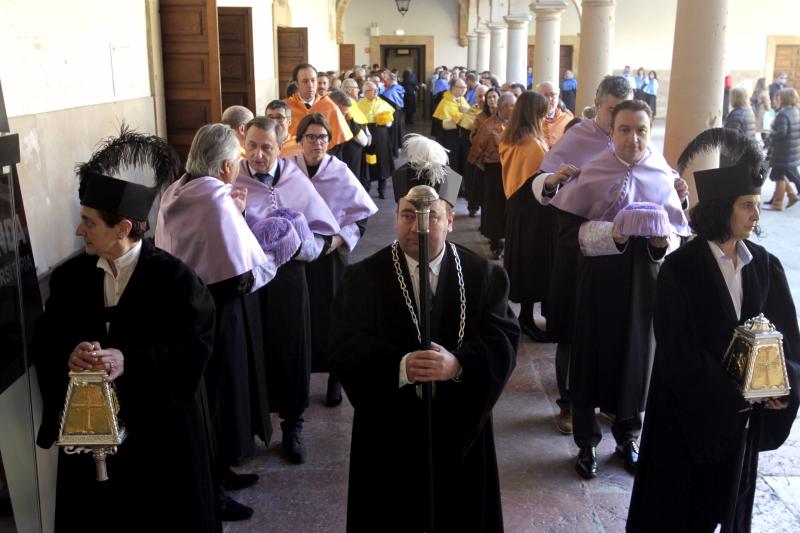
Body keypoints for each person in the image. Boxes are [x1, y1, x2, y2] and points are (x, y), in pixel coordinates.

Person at [34, 129, 221, 533]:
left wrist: (128, 360)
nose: (79, 231)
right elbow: (46, 336)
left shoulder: (175, 280)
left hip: (159, 438)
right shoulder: (69, 279)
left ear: (122, 227)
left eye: (88, 222)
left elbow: (195, 349)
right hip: (90, 437)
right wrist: (70, 352)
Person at [331, 134, 518, 533]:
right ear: (395, 215)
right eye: (407, 214)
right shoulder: (362, 278)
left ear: (450, 219)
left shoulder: (486, 277)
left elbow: (503, 342)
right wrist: (399, 366)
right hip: (388, 434)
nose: (419, 225)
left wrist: (458, 365)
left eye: (431, 213)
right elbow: (344, 345)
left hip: (461, 430)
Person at [627, 128, 800, 533]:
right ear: (722, 208)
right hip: (688, 419)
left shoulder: (766, 265)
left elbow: (789, 339)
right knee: (681, 512)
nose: (756, 215)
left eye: (757, 205)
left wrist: (780, 386)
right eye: (747, 206)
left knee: (733, 504)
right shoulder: (681, 269)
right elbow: (676, 347)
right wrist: (735, 393)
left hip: (742, 424)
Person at [540, 100, 691, 479]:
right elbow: (568, 233)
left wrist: (661, 244)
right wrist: (616, 233)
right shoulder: (592, 171)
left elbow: (676, 233)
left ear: (649, 131)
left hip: (643, 284)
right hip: (598, 280)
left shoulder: (661, 172)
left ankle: (627, 436)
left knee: (636, 359)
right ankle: (587, 442)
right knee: (591, 356)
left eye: (641, 130)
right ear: (613, 132)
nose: (633, 138)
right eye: (624, 129)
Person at [156, 123, 294, 521]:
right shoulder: (213, 199)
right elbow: (239, 270)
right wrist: (275, 255)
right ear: (223, 166)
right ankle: (212, 492)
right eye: (236, 160)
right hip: (219, 310)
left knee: (217, 396)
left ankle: (220, 471)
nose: (240, 166)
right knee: (216, 400)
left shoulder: (180, 188)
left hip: (195, 309)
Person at [531, 76, 636, 435]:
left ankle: (608, 400)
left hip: (620, 257)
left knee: (613, 331)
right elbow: (543, 178)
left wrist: (677, 191)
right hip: (576, 250)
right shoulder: (578, 137)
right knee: (572, 331)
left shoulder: (633, 139)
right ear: (597, 103)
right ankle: (569, 403)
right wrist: (552, 180)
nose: (619, 120)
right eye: (612, 111)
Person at [236, 116, 341, 464]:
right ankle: (254, 424)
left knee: (291, 348)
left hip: (288, 281)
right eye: (252, 145)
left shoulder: (294, 179)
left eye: (266, 147)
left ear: (280, 148)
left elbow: (323, 234)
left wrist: (294, 242)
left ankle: (292, 427)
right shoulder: (232, 179)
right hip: (250, 283)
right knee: (255, 349)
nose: (258, 154)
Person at [289, 113, 378, 407]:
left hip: (329, 259)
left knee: (333, 317)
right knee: (299, 317)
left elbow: (359, 217)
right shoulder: (289, 171)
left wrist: (334, 242)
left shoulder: (339, 171)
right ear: (300, 140)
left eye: (323, 137)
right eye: (311, 137)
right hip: (297, 257)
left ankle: (334, 378)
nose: (318, 143)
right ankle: (298, 376)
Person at [500, 91, 552, 343]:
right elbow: (543, 172)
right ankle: (527, 319)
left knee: (522, 258)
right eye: (542, 111)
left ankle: (525, 317)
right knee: (531, 260)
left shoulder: (513, 137)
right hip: (532, 207)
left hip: (517, 204)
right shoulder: (531, 142)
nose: (545, 115)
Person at [470, 90, 514, 259]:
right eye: (512, 105)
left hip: (511, 171)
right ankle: (496, 242)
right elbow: (477, 149)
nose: (515, 108)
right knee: (495, 206)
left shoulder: (515, 123)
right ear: (503, 107)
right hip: (494, 172)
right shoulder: (488, 125)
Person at [284, 63, 352, 153]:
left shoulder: (329, 106)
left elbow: (337, 144)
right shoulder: (286, 108)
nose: (310, 85)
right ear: (297, 84)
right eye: (305, 81)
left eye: (313, 80)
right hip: (292, 161)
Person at [357, 80, 396, 199]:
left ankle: (382, 189)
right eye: (372, 90)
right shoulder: (359, 104)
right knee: (368, 161)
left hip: (381, 134)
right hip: (367, 133)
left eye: (376, 90)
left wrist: (387, 121)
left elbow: (391, 121)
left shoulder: (383, 103)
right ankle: (366, 188)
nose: (375, 92)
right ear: (365, 92)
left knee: (382, 161)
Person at [765, 88, 800, 210]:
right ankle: (790, 196)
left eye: (778, 98)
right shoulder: (796, 110)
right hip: (791, 149)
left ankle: (777, 203)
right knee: (780, 174)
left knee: (779, 176)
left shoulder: (783, 114)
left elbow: (781, 133)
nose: (776, 100)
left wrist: (770, 133)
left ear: (784, 99)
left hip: (782, 151)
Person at [327, 89, 370, 187]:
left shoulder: (348, 120)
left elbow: (363, 140)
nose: (344, 116)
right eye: (342, 113)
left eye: (346, 113)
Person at [457, 84, 489, 216]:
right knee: (472, 180)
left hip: (489, 153)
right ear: (475, 97)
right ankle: (472, 205)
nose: (482, 99)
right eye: (479, 96)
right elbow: (465, 133)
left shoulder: (493, 113)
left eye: (484, 96)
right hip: (472, 151)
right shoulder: (471, 112)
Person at [432, 77, 470, 175]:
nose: (464, 89)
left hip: (462, 139)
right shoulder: (445, 102)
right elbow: (443, 124)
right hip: (449, 139)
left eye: (465, 87)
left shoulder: (462, 99)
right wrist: (461, 116)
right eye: (461, 87)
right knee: (452, 164)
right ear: (453, 88)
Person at [538, 81, 574, 148]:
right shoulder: (531, 119)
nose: (550, 99)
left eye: (553, 95)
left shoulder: (567, 119)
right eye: (545, 95)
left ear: (558, 96)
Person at [380, 72, 406, 153]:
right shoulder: (399, 87)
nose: (386, 82)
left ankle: (393, 148)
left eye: (386, 80)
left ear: (390, 80)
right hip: (397, 111)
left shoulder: (392, 89)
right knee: (397, 128)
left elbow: (384, 97)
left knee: (393, 130)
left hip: (391, 112)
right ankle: (398, 146)